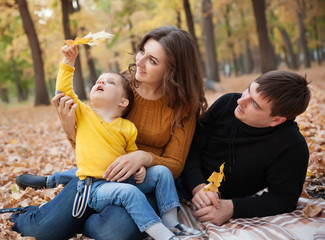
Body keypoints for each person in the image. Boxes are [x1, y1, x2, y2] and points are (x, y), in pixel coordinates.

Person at [4, 26, 208, 240]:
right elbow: (94, 137)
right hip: (100, 175)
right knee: (40, 231)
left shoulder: (183, 107)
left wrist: (143, 157)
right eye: (142, 52)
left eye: (152, 60)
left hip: (146, 181)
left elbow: (175, 164)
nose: (139, 61)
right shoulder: (120, 86)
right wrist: (70, 130)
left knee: (112, 231)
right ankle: (45, 204)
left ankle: (81, 215)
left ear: (173, 71)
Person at [57, 43, 201, 240]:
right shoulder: (84, 113)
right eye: (99, 81)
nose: (139, 61)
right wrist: (68, 62)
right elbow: (64, 92)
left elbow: (131, 153)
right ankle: (164, 236)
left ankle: (172, 224)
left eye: (152, 60)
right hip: (96, 186)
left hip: (124, 179)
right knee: (127, 196)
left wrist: (140, 163)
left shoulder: (127, 127)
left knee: (162, 172)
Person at [180, 70, 311, 226]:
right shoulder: (226, 104)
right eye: (248, 90)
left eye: (254, 104)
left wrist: (232, 208)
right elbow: (191, 147)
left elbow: (284, 199)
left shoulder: (292, 146)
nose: (241, 101)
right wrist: (197, 186)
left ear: (276, 120)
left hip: (222, 202)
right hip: (180, 180)